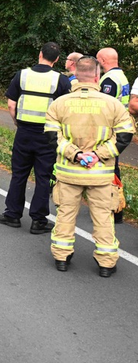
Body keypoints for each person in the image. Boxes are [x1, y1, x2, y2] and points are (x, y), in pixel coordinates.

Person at [44, 56, 133, 276]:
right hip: (100, 174)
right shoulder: (112, 104)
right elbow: (124, 135)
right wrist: (97, 155)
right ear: (97, 76)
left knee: (65, 216)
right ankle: (106, 263)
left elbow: (51, 137)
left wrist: (76, 154)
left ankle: (61, 257)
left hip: (68, 173)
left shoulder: (59, 103)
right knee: (103, 218)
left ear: (75, 75)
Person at [0, 42, 72, 233]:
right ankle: (38, 221)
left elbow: (11, 104)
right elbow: (66, 110)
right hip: (48, 136)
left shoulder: (22, 75)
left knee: (19, 174)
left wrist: (17, 123)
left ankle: (12, 214)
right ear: (56, 59)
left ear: (40, 54)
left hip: (24, 132)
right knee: (43, 177)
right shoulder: (61, 80)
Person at [96, 47, 130, 223]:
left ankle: (114, 209)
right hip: (118, 127)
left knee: (110, 167)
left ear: (102, 60)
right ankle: (114, 207)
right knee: (112, 167)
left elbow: (103, 105)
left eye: (98, 60)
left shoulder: (109, 80)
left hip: (110, 129)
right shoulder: (121, 76)